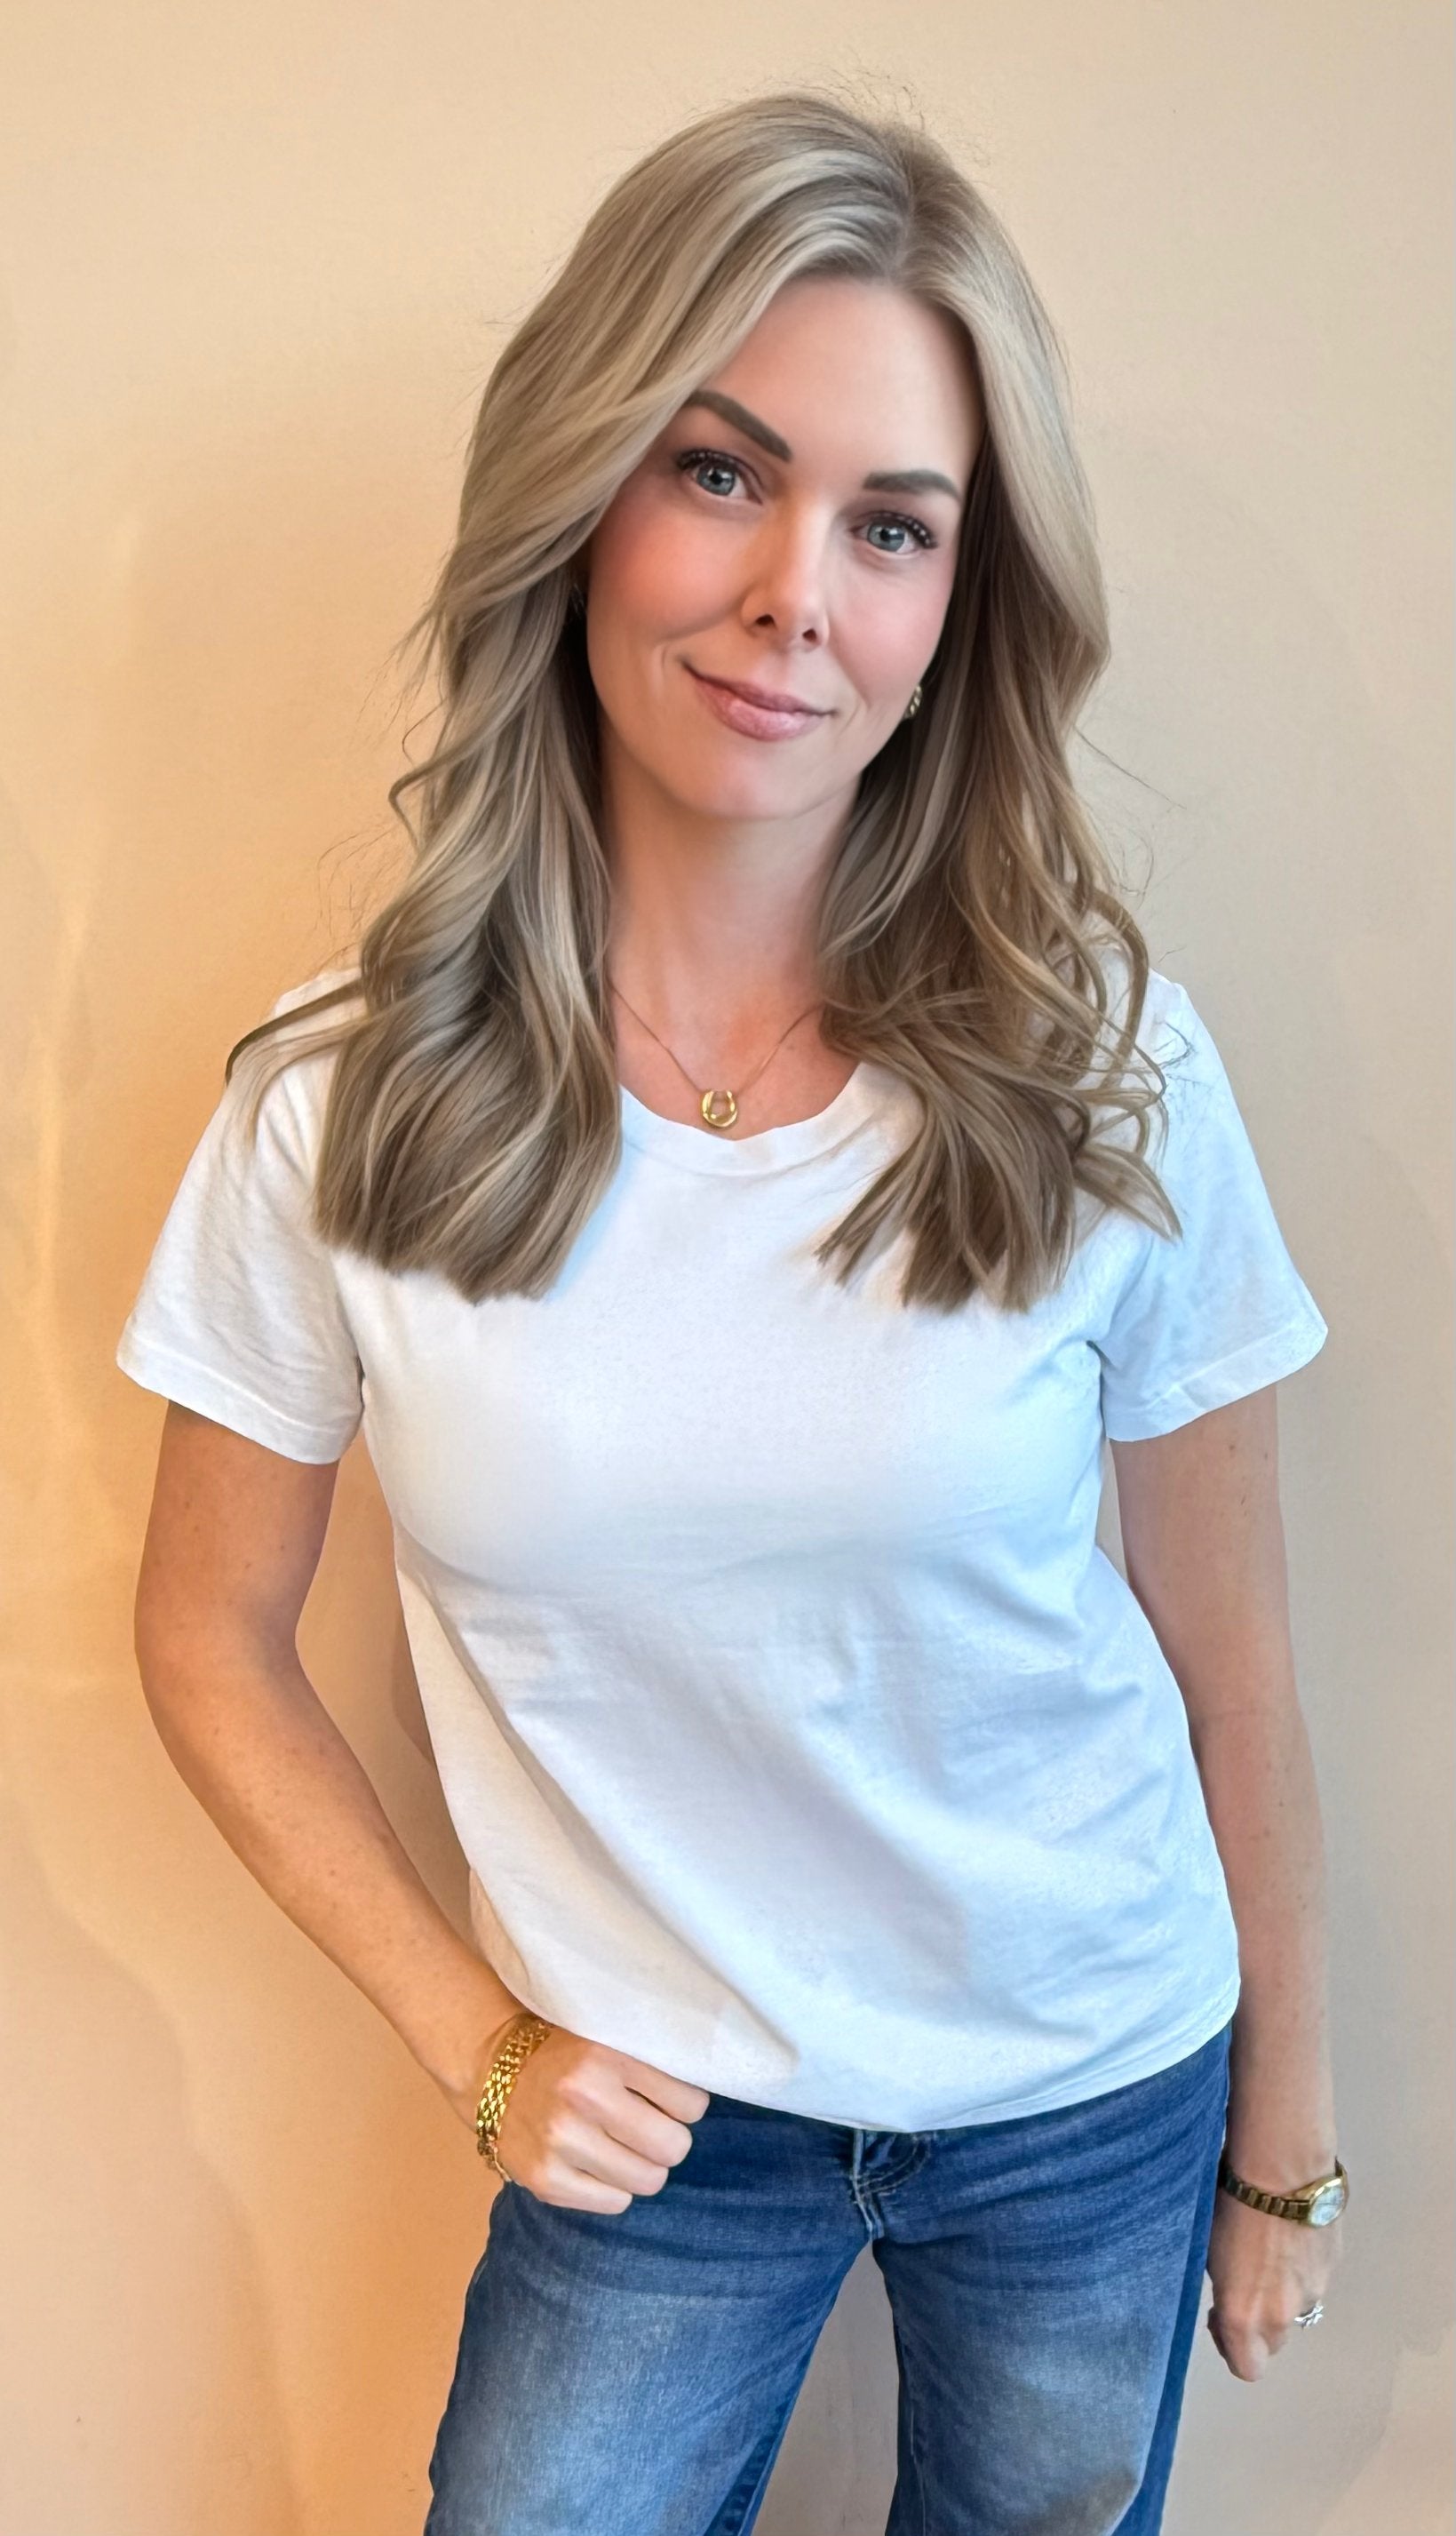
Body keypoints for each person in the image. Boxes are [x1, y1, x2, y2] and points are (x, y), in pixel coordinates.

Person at [115, 87, 1346, 2536]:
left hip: (1094, 2086)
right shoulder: (338, 1114)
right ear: (578, 497)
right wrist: (479, 2052)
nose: (802, 592)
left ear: (956, 608)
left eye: (893, 526)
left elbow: (1229, 1661)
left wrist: (1280, 2146)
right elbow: (204, 1638)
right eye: (721, 473)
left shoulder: (1108, 1071)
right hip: (662, 2130)